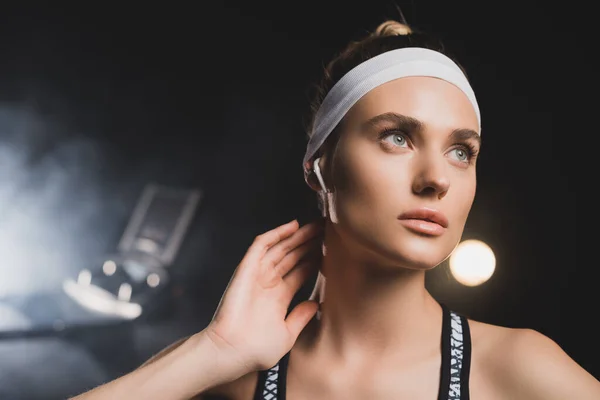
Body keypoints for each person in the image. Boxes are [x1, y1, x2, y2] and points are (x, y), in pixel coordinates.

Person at [71, 19, 600, 400]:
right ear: (319, 165)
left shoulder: (517, 371)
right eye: (396, 137)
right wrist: (214, 350)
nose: (437, 178)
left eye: (461, 151)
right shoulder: (235, 377)